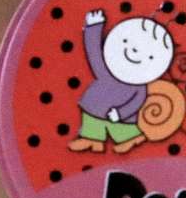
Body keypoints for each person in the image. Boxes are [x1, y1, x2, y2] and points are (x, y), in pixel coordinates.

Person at [69, 11, 174, 153]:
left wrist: (120, 114)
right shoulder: (105, 70)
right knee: (92, 122)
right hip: (95, 107)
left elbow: (135, 103)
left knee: (122, 129)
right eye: (125, 41)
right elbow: (94, 52)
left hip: (120, 117)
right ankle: (92, 140)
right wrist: (94, 26)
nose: (134, 52)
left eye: (150, 56)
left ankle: (131, 138)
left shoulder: (139, 87)